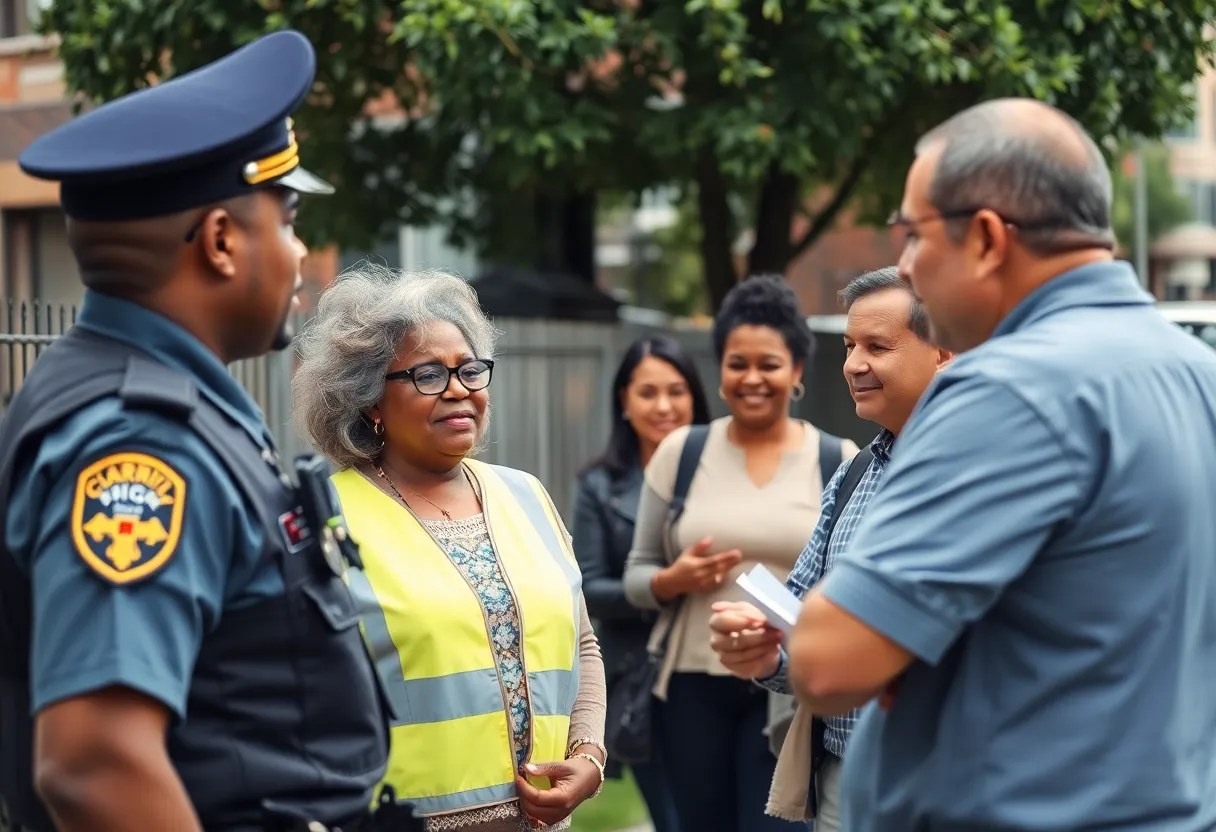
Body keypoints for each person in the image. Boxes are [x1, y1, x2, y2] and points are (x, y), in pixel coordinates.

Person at [0, 31, 402, 832]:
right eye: (288, 221)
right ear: (221, 241)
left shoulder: (159, 402)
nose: (298, 256)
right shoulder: (138, 445)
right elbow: (92, 764)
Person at [785, 97, 1216, 831]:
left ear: (986, 237)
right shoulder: (1196, 373)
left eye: (913, 235)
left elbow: (828, 661)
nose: (909, 267)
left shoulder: (1007, 389)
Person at [291, 263, 608, 832]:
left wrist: (588, 757)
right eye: (429, 375)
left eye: (469, 370)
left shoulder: (526, 494)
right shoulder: (328, 518)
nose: (460, 388)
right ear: (369, 401)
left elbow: (581, 644)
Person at [707, 268, 950, 832]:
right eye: (848, 347)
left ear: (941, 350)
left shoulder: (982, 471)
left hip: (942, 778)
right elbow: (799, 623)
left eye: (876, 347)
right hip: (844, 778)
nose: (852, 365)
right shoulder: (852, 476)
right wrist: (763, 651)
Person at [623, 275, 859, 832]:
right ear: (720, 370)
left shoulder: (837, 461)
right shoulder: (682, 451)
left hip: (789, 688)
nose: (752, 378)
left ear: (798, 370)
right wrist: (673, 579)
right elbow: (635, 575)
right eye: (737, 363)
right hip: (689, 687)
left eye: (770, 363)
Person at [571, 335, 712, 832]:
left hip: (727, 669)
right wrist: (665, 584)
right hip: (646, 681)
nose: (665, 406)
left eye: (677, 391)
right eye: (648, 393)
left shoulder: (726, 473)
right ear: (624, 402)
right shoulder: (600, 487)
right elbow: (588, 590)